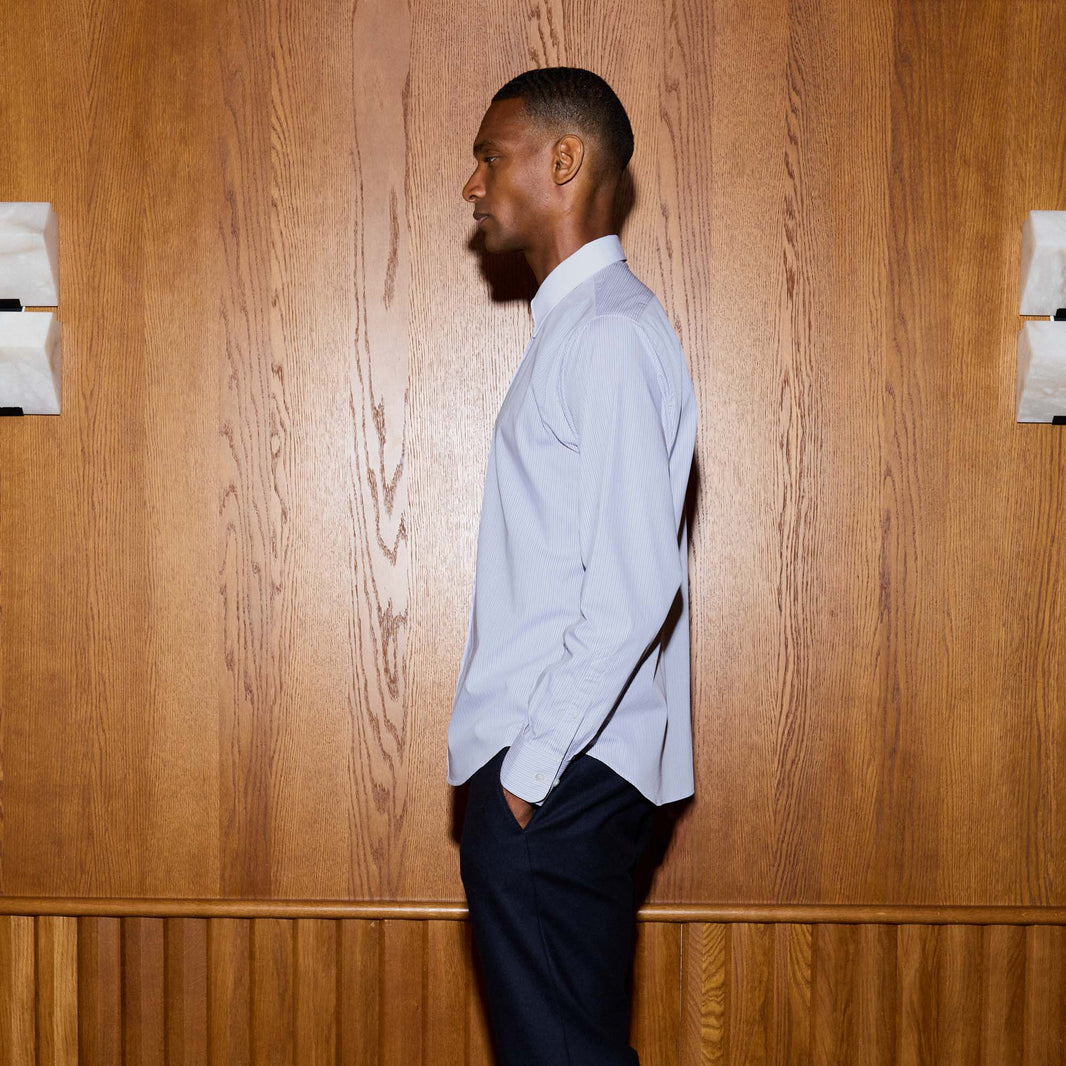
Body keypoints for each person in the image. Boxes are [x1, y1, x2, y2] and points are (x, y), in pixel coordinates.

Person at [448, 66, 698, 1066]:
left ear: (564, 159)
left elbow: (634, 590)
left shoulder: (607, 334)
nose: (472, 184)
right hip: (560, 776)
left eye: (489, 155)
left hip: (558, 775)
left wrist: (525, 779)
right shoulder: (585, 330)